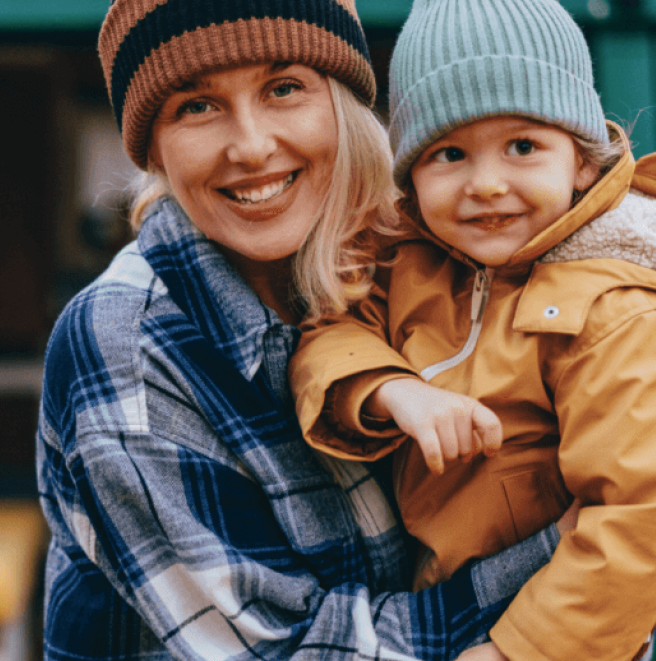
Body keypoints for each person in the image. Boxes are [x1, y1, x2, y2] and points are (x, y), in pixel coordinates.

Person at [35, 1, 570, 660]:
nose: (252, 145)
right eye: (197, 107)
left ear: (341, 106)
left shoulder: (420, 270)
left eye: (283, 88)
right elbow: (296, 650)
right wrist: (574, 560)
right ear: (155, 150)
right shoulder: (128, 344)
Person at [289, 0, 656, 659]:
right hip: (436, 612)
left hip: (556, 631)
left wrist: (522, 649)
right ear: (411, 176)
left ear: (583, 162)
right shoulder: (412, 265)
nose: (486, 183)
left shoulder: (621, 308)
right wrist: (392, 388)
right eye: (449, 153)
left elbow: (652, 510)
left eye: (522, 146)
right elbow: (329, 333)